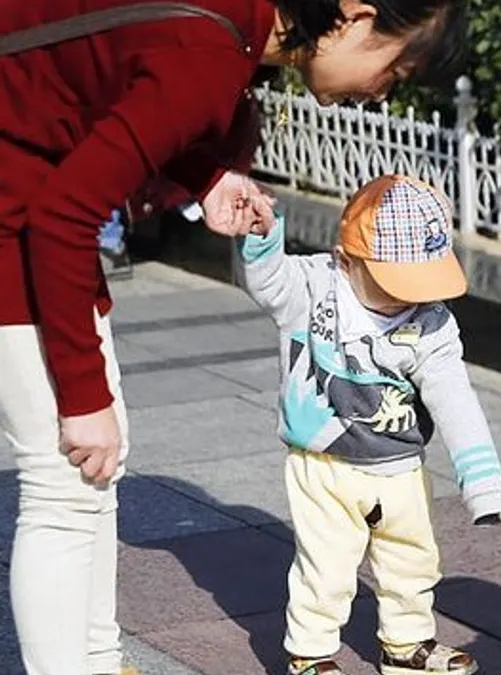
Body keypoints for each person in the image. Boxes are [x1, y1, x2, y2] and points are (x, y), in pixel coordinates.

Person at [0, 1, 466, 673]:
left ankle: (97, 659)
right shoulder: (211, 56)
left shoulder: (231, 27)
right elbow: (63, 217)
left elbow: (98, 86)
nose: (382, 92)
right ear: (359, 13)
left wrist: (207, 175)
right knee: (64, 483)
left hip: (29, 196)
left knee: (96, 463)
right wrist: (81, 397)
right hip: (21, 215)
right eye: (396, 69)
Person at [237, 174, 501, 675]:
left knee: (413, 558)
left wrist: (483, 479)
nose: (409, 299)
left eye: (422, 282)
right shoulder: (314, 287)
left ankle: (406, 644)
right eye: (395, 285)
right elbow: (270, 282)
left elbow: (454, 397)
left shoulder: (431, 321)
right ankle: (310, 652)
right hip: (325, 463)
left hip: (402, 464)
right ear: (347, 260)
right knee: (326, 564)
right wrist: (264, 237)